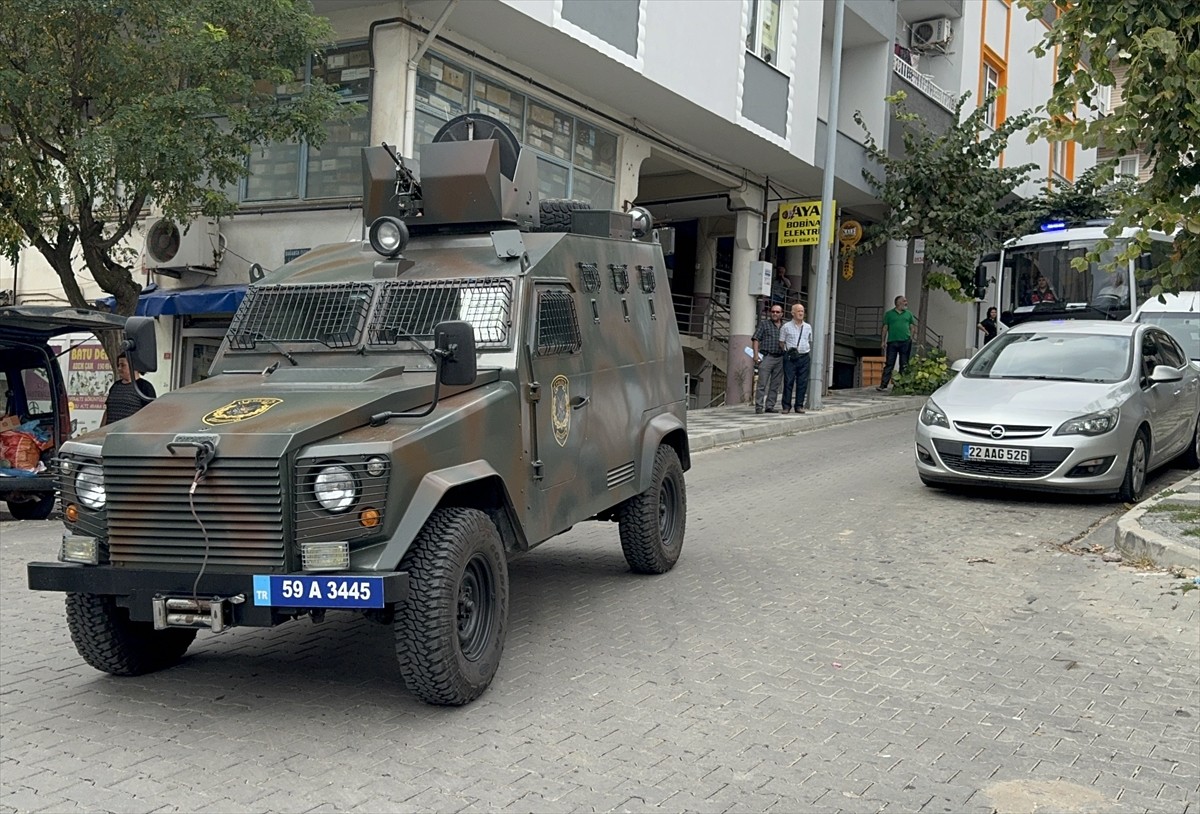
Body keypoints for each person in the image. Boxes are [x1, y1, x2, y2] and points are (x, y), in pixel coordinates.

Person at [877, 295, 917, 391]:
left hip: (905, 341)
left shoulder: (908, 314)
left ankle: (901, 385)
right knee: (889, 363)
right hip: (892, 342)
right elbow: (885, 327)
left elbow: (912, 326)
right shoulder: (889, 314)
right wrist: (883, 341)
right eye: (904, 301)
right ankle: (883, 385)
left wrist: (911, 337)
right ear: (898, 303)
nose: (906, 303)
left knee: (904, 363)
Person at [751, 305, 786, 414]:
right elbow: (756, 339)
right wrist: (755, 354)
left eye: (777, 312)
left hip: (780, 357)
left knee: (775, 384)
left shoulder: (785, 327)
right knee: (762, 383)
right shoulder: (764, 324)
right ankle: (759, 406)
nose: (775, 313)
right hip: (767, 357)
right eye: (773, 311)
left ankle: (770, 406)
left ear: (781, 314)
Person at [102, 356, 156, 425]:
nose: (119, 368)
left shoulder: (145, 387)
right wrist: (100, 431)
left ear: (133, 366)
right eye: (118, 365)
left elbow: (151, 414)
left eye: (123, 365)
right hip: (110, 432)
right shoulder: (115, 386)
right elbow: (107, 412)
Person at [779, 303, 813, 414]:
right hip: (790, 357)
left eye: (802, 311)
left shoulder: (808, 327)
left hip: (804, 356)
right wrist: (789, 351)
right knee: (788, 381)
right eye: (798, 311)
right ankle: (786, 406)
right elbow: (781, 342)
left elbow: (809, 340)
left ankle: (799, 405)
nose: (801, 313)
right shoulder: (786, 327)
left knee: (802, 382)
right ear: (792, 313)